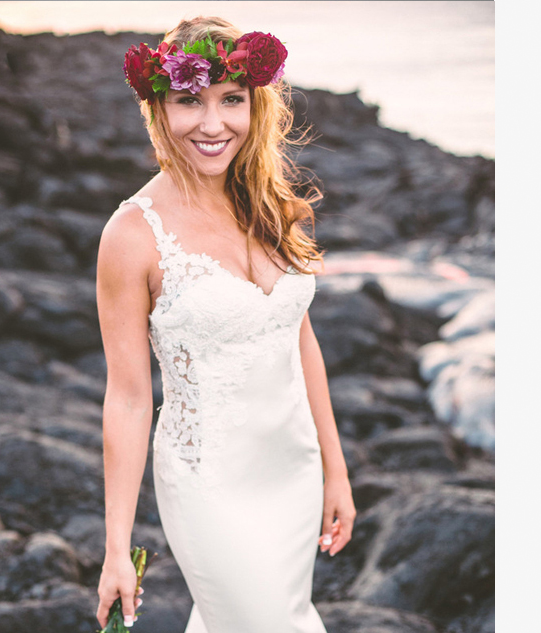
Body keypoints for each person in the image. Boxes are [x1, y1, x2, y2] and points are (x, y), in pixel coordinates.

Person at [95, 16, 356, 632]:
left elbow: (298, 338)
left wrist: (335, 469)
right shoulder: (132, 235)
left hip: (293, 469)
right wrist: (115, 548)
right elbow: (129, 400)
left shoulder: (274, 204)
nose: (213, 125)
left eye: (231, 101)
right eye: (190, 101)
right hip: (210, 485)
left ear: (254, 105)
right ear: (159, 109)